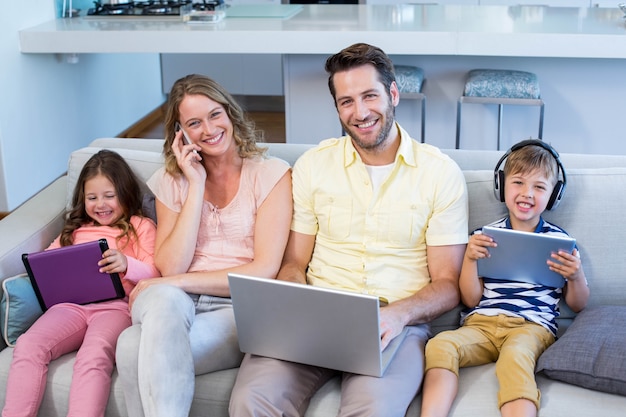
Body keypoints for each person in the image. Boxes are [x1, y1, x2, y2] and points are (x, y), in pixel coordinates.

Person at [229, 43, 469, 417]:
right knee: (250, 401)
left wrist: (400, 315)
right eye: (346, 102)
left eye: (369, 96)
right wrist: (293, 302)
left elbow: (448, 283)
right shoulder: (313, 166)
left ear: (392, 94)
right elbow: (294, 260)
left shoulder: (440, 174)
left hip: (393, 323)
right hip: (315, 316)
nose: (359, 113)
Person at [115, 74, 292, 417]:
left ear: (229, 112)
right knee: (161, 305)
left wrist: (172, 283)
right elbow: (171, 266)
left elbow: (263, 269)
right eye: (194, 123)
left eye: (214, 115)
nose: (209, 129)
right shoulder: (173, 180)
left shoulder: (271, 173)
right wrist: (194, 185)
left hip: (238, 308)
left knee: (129, 347)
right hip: (173, 303)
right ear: (179, 133)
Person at [420, 139, 590, 417]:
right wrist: (470, 260)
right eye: (519, 183)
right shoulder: (484, 236)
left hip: (531, 327)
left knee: (515, 357)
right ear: (502, 186)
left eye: (539, 187)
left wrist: (576, 275)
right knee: (441, 344)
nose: (527, 193)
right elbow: (471, 298)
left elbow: (579, 304)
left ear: (554, 194)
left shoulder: (561, 242)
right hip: (482, 324)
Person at [2, 150, 160, 417]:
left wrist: (127, 264)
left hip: (116, 308)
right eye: (92, 197)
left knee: (94, 355)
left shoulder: (140, 226)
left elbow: (157, 272)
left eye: (110, 196)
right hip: (69, 307)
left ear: (126, 193)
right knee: (29, 345)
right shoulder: (75, 231)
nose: (101, 204)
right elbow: (49, 264)